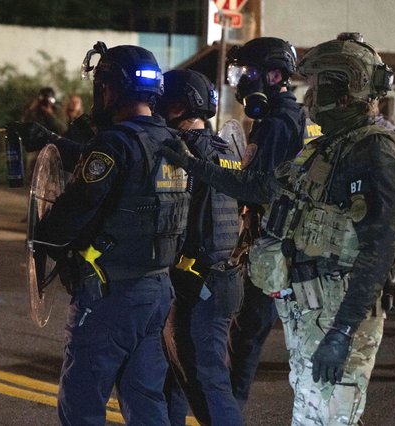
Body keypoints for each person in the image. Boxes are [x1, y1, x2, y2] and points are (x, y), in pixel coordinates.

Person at [161, 33, 395, 426]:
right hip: (308, 314)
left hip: (339, 317)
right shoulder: (323, 148)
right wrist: (191, 165)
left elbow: (379, 250)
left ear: (347, 89)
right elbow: (260, 187)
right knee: (311, 416)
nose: (309, 95)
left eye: (320, 85)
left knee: (332, 418)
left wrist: (341, 333)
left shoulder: (376, 151)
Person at [10, 41, 189, 425]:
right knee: (145, 399)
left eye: (104, 84)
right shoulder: (172, 142)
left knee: (82, 401)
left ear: (112, 87)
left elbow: (72, 213)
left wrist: (45, 236)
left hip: (112, 292)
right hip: (158, 288)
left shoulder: (114, 143)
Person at [157, 69, 244, 426]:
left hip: (199, 287)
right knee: (175, 379)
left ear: (176, 107)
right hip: (221, 280)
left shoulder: (185, 154)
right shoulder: (224, 149)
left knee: (207, 385)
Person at [224, 36, 306, 409]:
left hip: (272, 243)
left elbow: (255, 189)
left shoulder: (275, 123)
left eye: (248, 73)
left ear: (274, 76)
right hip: (289, 243)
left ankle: (228, 415)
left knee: (244, 341)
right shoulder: (294, 115)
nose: (241, 81)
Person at [22, 87, 67, 182]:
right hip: (36, 146)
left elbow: (62, 128)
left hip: (54, 146)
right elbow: (24, 124)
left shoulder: (58, 110)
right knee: (33, 174)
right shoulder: (35, 111)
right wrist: (31, 109)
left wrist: (50, 115)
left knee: (53, 177)